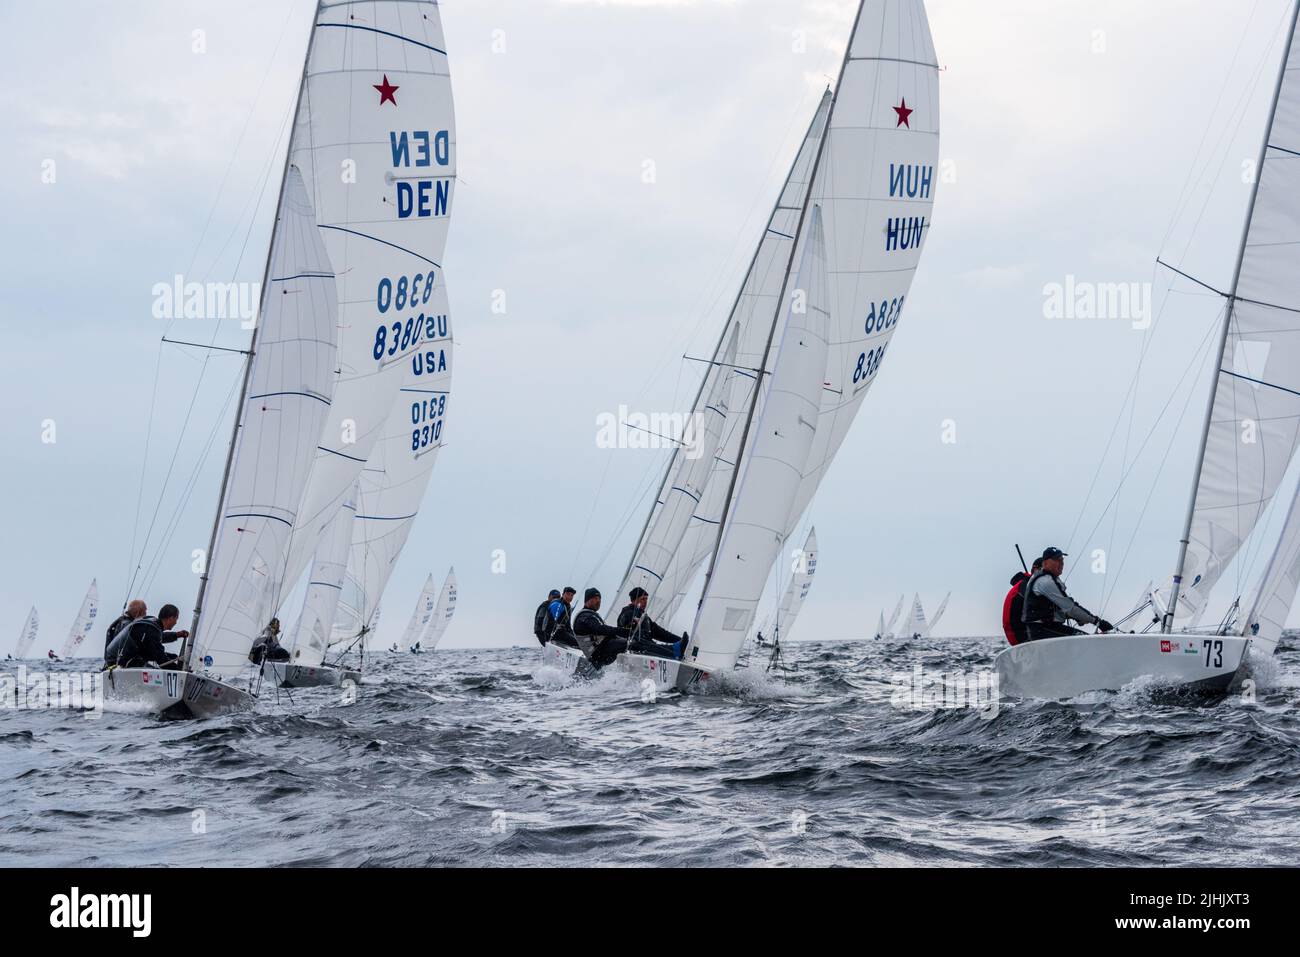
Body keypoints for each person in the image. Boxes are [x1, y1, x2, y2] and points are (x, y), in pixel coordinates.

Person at [1021, 548, 1114, 641]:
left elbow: (1061, 608)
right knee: (1087, 640)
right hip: (1042, 630)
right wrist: (1098, 622)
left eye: (1062, 560)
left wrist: (1078, 618)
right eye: (1057, 560)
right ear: (1045, 563)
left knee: (1085, 638)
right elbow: (1070, 608)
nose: (1061, 563)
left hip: (1047, 628)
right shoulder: (1045, 581)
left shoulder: (1049, 578)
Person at [105, 604, 188, 669]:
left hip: (124, 657)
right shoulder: (152, 629)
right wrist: (179, 672)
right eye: (176, 618)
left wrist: (176, 635)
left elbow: (157, 638)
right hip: (117, 662)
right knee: (159, 666)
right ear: (170, 618)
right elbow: (160, 658)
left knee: (173, 657)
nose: (176, 622)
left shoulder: (151, 624)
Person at [617, 587, 686, 660]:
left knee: (658, 647)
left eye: (646, 599)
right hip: (634, 649)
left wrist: (680, 640)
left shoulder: (644, 617)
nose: (645, 602)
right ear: (634, 600)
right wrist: (632, 622)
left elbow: (661, 633)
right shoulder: (626, 613)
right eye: (643, 599)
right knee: (658, 648)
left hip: (648, 647)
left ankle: (678, 649)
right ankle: (676, 650)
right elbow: (623, 623)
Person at [573, 588, 631, 667]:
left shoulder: (591, 615)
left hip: (601, 650)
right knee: (628, 644)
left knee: (626, 642)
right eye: (596, 598)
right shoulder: (584, 617)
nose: (599, 601)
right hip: (597, 654)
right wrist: (624, 632)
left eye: (600, 599)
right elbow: (601, 629)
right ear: (588, 600)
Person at [1001, 558, 1042, 646]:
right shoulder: (1025, 585)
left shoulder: (1027, 584)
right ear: (1035, 570)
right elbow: (1036, 605)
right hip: (1019, 637)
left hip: (1018, 635)